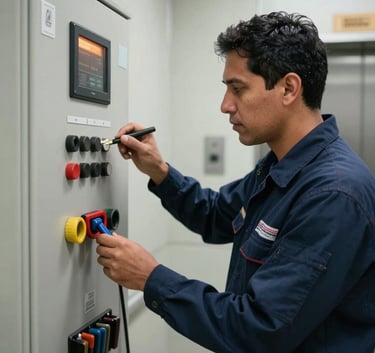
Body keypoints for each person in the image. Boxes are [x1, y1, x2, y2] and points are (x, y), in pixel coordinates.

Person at [96, 11, 375, 353]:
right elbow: (216, 215)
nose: (225, 105)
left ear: (289, 88)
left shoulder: (334, 195)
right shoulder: (279, 167)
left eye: (237, 88)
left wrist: (152, 278)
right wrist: (160, 171)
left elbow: (259, 329)